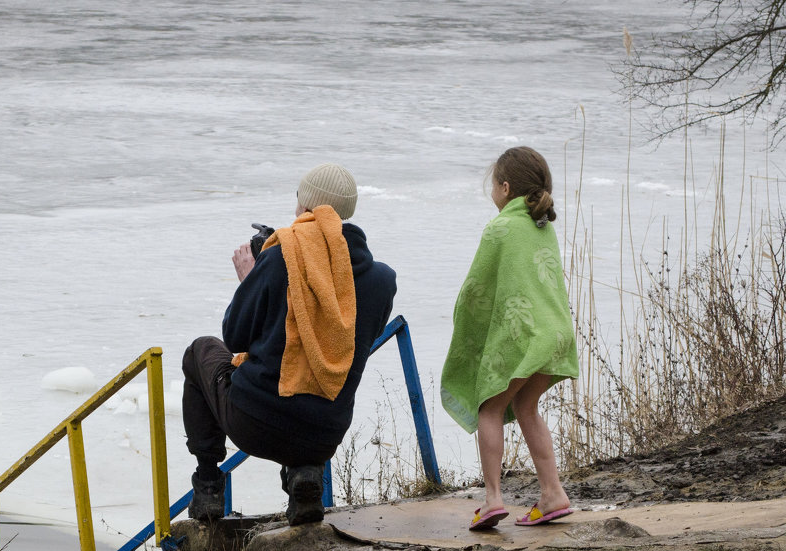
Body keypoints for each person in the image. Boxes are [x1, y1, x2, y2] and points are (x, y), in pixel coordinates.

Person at [182, 163, 397, 526]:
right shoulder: (382, 280)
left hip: (254, 423)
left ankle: (207, 483)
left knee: (200, 351)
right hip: (324, 435)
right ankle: (304, 477)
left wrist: (250, 280)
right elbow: (347, 345)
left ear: (305, 206)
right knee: (309, 381)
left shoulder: (281, 256)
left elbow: (235, 337)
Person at [441, 146, 580, 531]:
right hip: (555, 334)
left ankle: (492, 500)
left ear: (505, 188)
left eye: (492, 186)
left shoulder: (500, 228)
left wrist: (464, 325)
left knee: (488, 407)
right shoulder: (543, 227)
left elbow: (476, 291)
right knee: (526, 407)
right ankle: (553, 493)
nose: (491, 194)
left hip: (524, 337)